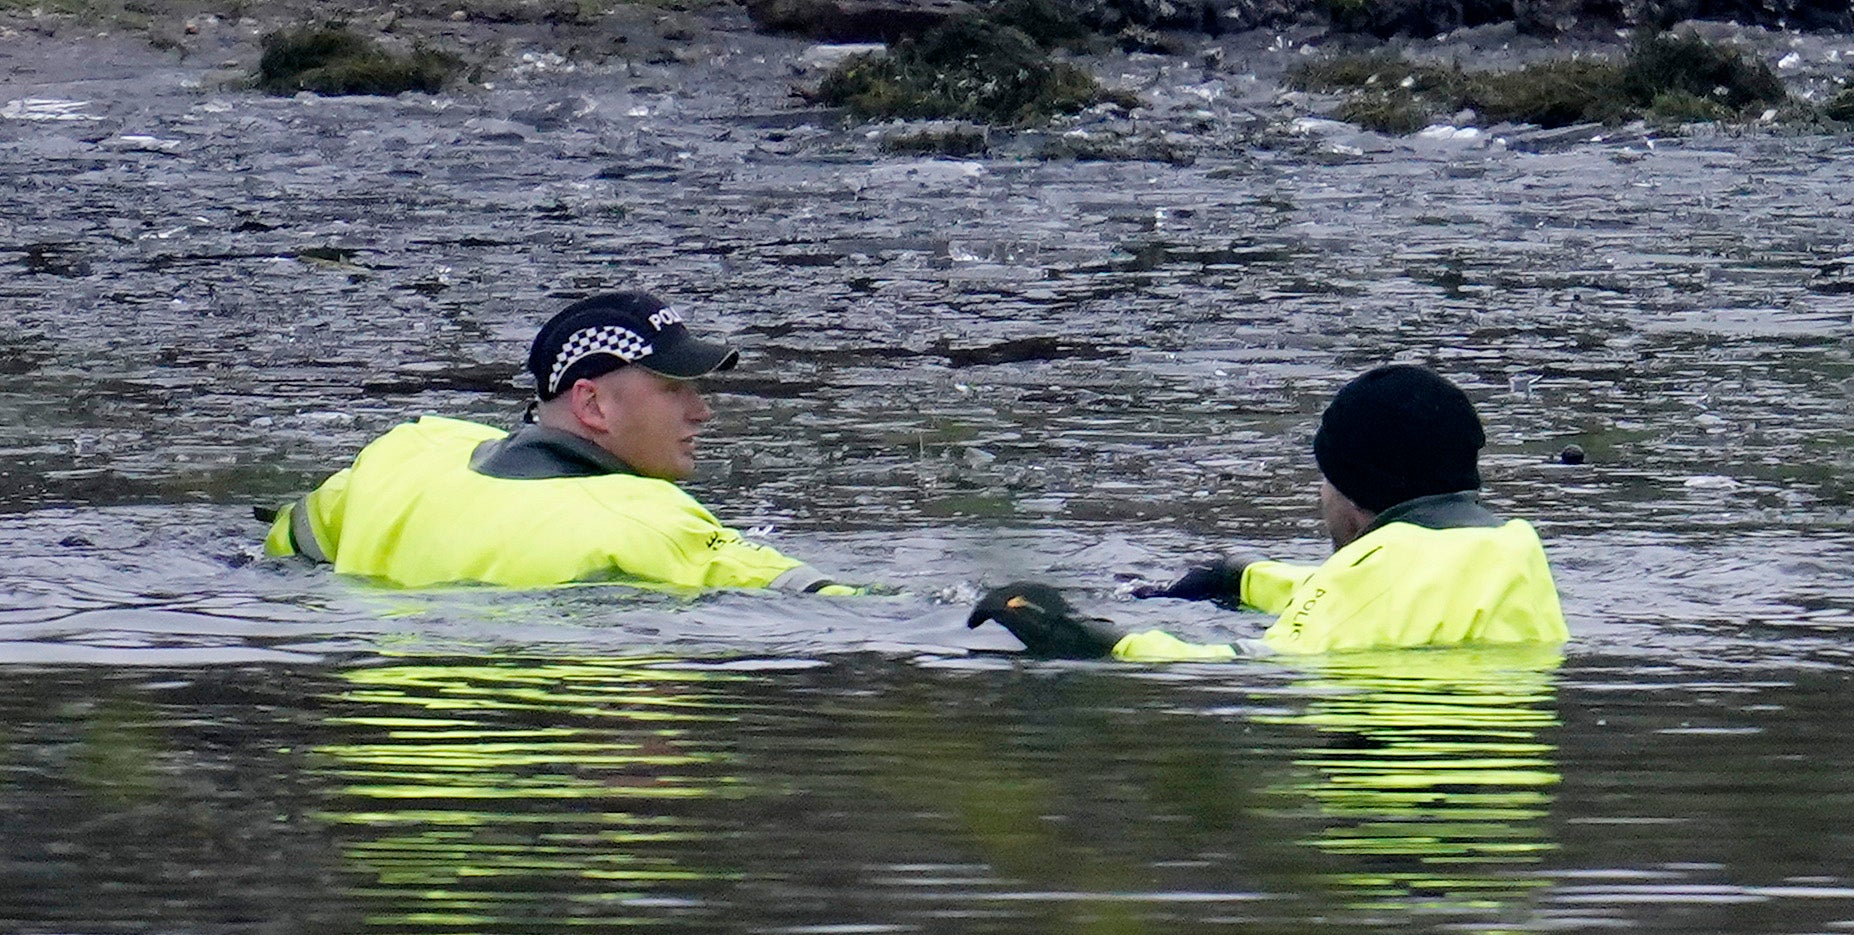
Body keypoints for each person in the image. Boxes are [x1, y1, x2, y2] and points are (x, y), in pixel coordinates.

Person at [262, 290, 855, 594]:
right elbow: (821, 600)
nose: (701, 412)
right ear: (593, 404)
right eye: (674, 389)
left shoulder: (408, 455)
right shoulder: (646, 521)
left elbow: (292, 540)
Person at [967, 363, 1568, 660]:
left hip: (1387, 778)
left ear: (1351, 488)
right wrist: (1246, 575)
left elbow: (1245, 666)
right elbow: (1378, 599)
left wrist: (1089, 637)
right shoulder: (1510, 546)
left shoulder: (1376, 576)